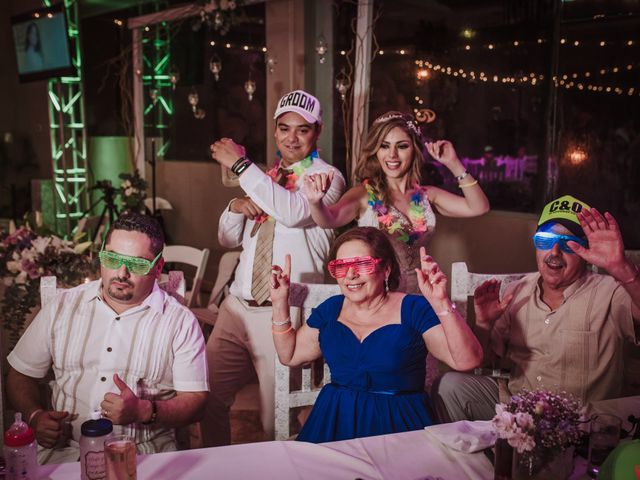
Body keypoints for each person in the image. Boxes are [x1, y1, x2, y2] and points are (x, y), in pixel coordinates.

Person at [202, 89, 346, 446]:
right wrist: (235, 207)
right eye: (284, 128)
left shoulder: (328, 177)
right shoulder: (267, 177)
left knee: (277, 421)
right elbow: (228, 239)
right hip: (237, 306)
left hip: (283, 314)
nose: (291, 138)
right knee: (207, 398)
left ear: (318, 131)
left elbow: (294, 212)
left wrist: (241, 167)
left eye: (302, 129)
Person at [6, 213, 209, 464]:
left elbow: (197, 402)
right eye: (112, 259)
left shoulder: (179, 322)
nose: (121, 273)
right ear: (100, 254)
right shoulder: (62, 307)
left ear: (158, 267)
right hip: (63, 454)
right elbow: (20, 374)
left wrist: (145, 410)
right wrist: (35, 416)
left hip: (144, 455)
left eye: (136, 264)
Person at [433, 195, 640, 422]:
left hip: (579, 422)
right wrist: (484, 323)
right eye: (544, 240)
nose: (554, 252)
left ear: (586, 251)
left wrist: (622, 268)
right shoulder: (517, 290)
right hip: (517, 411)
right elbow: (484, 362)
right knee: (449, 386)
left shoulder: (610, 292)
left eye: (567, 244)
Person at [269, 227, 483, 442]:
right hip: (334, 419)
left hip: (398, 423)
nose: (350, 275)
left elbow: (466, 361)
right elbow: (290, 355)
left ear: (386, 269)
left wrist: (441, 303)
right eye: (341, 266)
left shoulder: (413, 309)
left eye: (362, 264)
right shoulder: (330, 309)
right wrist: (280, 303)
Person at [303, 111, 489, 293]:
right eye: (384, 146)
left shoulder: (426, 195)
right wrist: (315, 202)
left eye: (401, 146)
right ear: (376, 151)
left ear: (414, 149)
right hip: (382, 295)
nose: (392, 155)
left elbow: (479, 207)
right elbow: (328, 219)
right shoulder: (364, 194)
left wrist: (453, 163)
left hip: (420, 293)